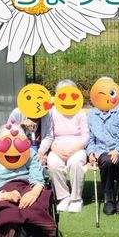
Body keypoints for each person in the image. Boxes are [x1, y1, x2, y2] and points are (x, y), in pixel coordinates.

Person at [87, 77, 119, 215]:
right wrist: (90, 152)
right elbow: (90, 138)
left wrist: (117, 150)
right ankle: (109, 197)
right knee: (106, 161)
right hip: (101, 151)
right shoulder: (92, 115)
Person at [47, 80, 89, 213]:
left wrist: (74, 149)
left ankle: (76, 199)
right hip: (57, 148)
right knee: (53, 163)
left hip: (77, 148)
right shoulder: (51, 112)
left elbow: (86, 136)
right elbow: (48, 135)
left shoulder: (80, 113)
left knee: (75, 163)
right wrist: (55, 149)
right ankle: (64, 197)